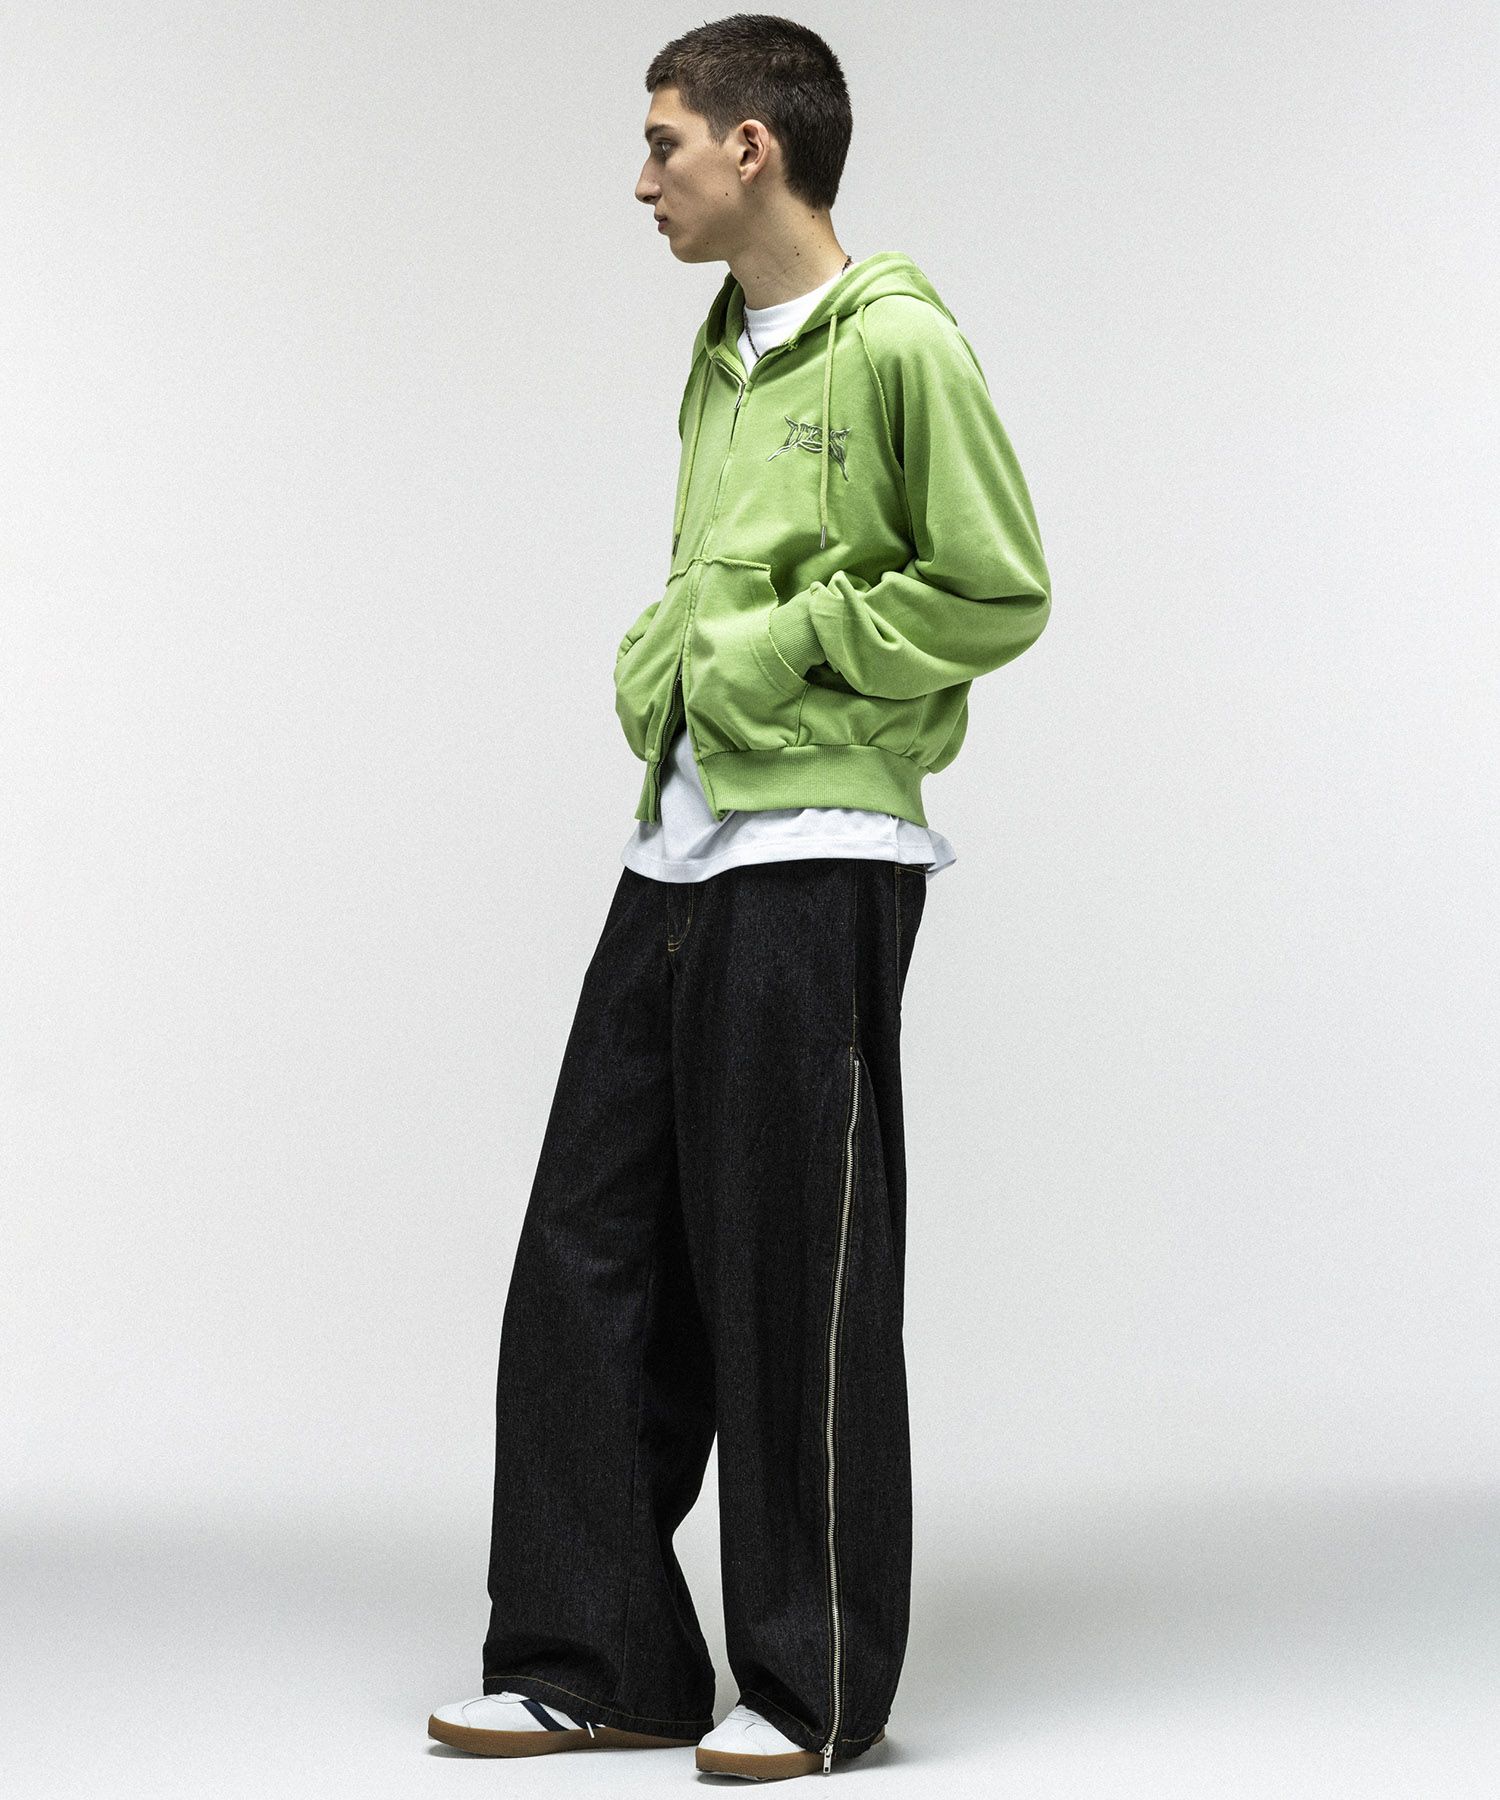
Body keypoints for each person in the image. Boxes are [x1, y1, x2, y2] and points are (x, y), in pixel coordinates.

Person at [427, 12, 1050, 1781]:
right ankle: (599, 1659)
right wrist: (667, 664)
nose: (644, 181)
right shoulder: (721, 349)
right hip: (680, 845)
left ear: (752, 147)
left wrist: (775, 654)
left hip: (823, 847)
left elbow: (996, 587)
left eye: (664, 143)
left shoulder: (902, 342)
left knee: (795, 1269)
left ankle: (811, 1678)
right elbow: (707, 582)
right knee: (589, 1253)